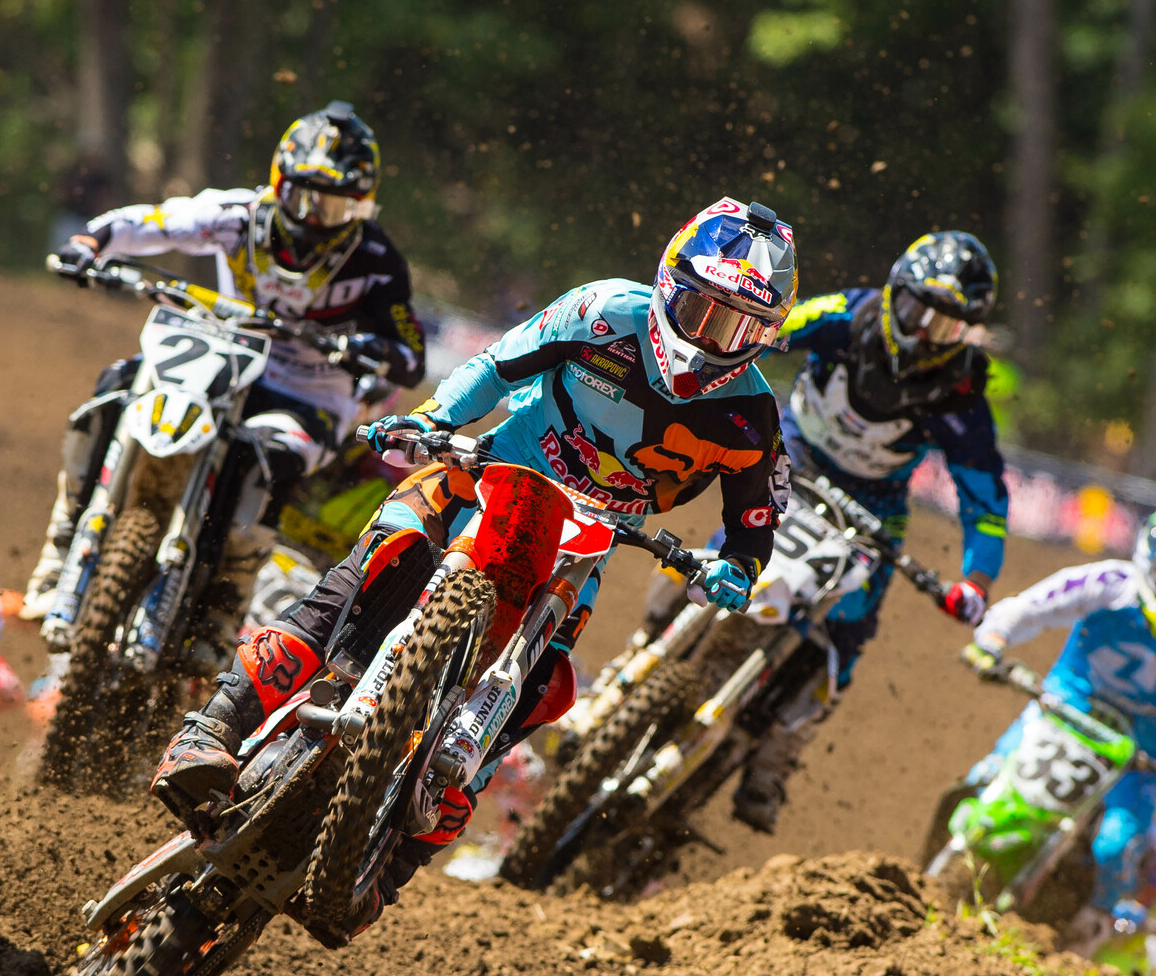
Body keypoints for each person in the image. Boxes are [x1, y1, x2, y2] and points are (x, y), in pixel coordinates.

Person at [151, 196, 795, 937]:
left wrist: (738, 567)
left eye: (740, 328)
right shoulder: (603, 313)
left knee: (535, 695)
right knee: (369, 570)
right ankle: (211, 728)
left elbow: (757, 515)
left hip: (584, 544)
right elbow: (496, 364)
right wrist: (434, 420)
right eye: (702, 310)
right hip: (487, 471)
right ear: (669, 282)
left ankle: (388, 871)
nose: (712, 338)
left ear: (767, 335)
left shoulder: (752, 415)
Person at [22, 101, 428, 633]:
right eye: (306, 197)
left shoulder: (378, 260)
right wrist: (89, 242)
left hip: (308, 392)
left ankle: (226, 603)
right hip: (223, 354)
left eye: (336, 207)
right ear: (279, 182)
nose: (316, 218)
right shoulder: (237, 214)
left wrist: (372, 349)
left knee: (273, 459)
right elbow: (149, 222)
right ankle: (61, 547)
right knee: (114, 389)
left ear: (362, 207)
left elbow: (411, 354)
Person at [702, 230, 1012, 833]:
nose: (923, 334)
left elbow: (986, 503)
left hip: (875, 503)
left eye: (945, 326)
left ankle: (774, 761)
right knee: (729, 548)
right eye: (916, 311)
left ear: (968, 333)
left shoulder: (962, 394)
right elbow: (763, 329)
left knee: (852, 620)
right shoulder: (848, 313)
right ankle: (652, 641)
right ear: (893, 292)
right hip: (792, 452)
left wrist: (976, 580)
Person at [961, 494, 1156, 944]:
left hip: (1137, 763)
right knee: (986, 780)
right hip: (1061, 718)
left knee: (1116, 847)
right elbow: (1034, 605)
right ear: (1146, 562)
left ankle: (1085, 935)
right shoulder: (1109, 583)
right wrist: (993, 638)